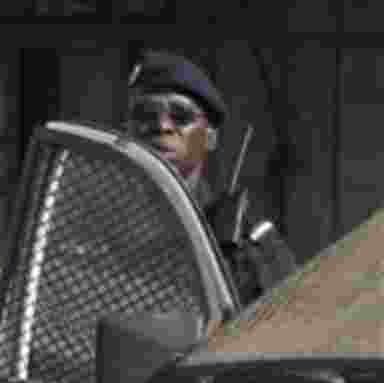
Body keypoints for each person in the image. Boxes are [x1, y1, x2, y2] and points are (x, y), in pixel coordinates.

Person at [124, 49, 296, 305]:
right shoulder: (91, 223)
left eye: (181, 116)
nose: (162, 126)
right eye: (145, 115)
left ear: (210, 137)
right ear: (127, 129)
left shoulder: (248, 242)